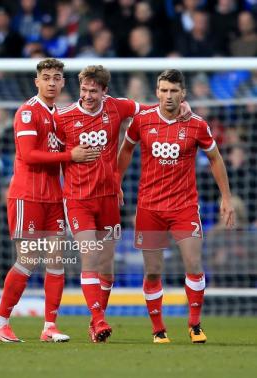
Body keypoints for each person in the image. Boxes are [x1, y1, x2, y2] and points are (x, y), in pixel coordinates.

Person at [56, 65, 191, 343]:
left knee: (107, 266)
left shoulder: (119, 108)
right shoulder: (65, 116)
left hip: (108, 198)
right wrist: (71, 155)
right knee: (90, 256)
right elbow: (50, 154)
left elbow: (157, 107)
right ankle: (99, 319)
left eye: (94, 90)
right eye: (84, 89)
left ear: (105, 91)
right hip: (78, 199)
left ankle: (96, 324)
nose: (88, 95)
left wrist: (182, 104)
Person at [118, 69, 235, 344]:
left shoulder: (196, 124)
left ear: (183, 93)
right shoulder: (142, 121)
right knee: (153, 271)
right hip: (149, 208)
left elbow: (216, 159)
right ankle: (158, 329)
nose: (168, 96)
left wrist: (226, 197)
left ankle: (194, 325)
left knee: (194, 264)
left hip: (184, 206)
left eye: (173, 91)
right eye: (164, 90)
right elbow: (125, 150)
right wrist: (116, 181)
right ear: (157, 92)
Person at [0, 58, 100, 343]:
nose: (51, 82)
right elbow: (28, 155)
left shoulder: (59, 115)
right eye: (46, 77)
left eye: (56, 78)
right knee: (27, 259)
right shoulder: (28, 112)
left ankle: (49, 326)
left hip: (53, 198)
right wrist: (69, 156)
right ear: (37, 81)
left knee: (56, 260)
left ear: (63, 83)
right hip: (28, 196)